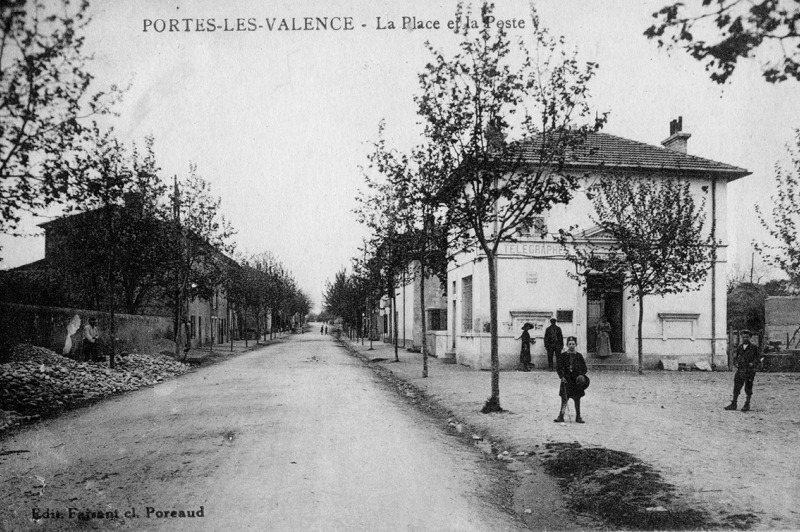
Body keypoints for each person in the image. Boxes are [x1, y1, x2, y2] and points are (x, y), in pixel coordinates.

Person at [554, 336, 589, 423]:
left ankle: (578, 417)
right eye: (570, 344)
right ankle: (561, 416)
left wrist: (580, 376)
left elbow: (584, 368)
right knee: (564, 399)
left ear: (576, 345)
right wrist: (561, 377)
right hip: (566, 381)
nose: (571, 346)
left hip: (576, 382)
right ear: (567, 345)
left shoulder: (579, 356)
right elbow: (559, 368)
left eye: (573, 344)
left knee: (577, 400)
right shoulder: (563, 356)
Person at [725, 330, 761, 412]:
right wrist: (736, 363)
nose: (745, 338)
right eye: (744, 337)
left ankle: (747, 404)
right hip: (740, 370)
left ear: (750, 338)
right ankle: (734, 403)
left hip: (749, 370)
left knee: (748, 387)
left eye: (747, 337)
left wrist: (754, 363)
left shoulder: (754, 348)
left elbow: (760, 358)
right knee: (737, 386)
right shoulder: (740, 347)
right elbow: (736, 357)